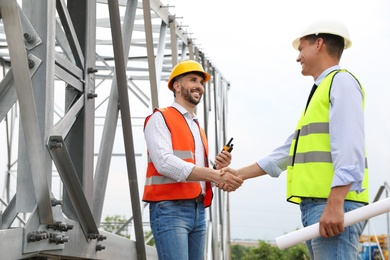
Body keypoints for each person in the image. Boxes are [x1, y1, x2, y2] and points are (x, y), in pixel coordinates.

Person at [223, 19, 369, 259]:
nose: (297, 56)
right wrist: (239, 174)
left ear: (319, 43)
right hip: (317, 205)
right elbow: (288, 151)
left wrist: (335, 202)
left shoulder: (340, 82)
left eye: (301, 49)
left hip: (331, 204)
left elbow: (350, 145)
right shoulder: (320, 93)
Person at [142, 59, 242, 260]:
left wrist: (216, 169)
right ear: (177, 86)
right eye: (193, 80)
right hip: (170, 210)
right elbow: (165, 163)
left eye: (201, 82)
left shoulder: (197, 128)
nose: (199, 86)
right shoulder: (160, 118)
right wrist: (215, 174)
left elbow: (193, 172)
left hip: (198, 211)